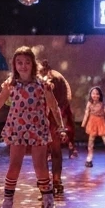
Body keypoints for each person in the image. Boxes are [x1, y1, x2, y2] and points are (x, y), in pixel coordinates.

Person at [0, 46, 65, 208]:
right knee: (14, 167)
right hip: (17, 128)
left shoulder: (42, 84)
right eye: (19, 62)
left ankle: (49, 207)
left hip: (37, 127)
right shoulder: (11, 84)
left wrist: (60, 126)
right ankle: (6, 207)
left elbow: (53, 105)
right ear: (14, 64)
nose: (23, 66)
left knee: (40, 167)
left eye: (27, 62)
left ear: (33, 64)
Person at [37, 58, 74, 193]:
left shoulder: (54, 78)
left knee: (54, 152)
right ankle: (50, 181)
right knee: (46, 153)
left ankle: (55, 181)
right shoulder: (43, 79)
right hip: (45, 118)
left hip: (52, 118)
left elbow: (64, 97)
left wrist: (60, 119)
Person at [37, 57, 77, 158]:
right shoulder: (49, 76)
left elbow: (61, 90)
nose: (37, 73)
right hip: (57, 104)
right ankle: (64, 149)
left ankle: (64, 149)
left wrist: (62, 104)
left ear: (44, 69)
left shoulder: (52, 77)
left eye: (39, 70)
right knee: (55, 127)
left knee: (57, 127)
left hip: (59, 105)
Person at [81, 86, 105, 168]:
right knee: (91, 141)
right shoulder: (89, 103)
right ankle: (89, 157)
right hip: (92, 122)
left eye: (97, 94)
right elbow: (86, 113)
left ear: (100, 95)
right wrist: (83, 124)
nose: (95, 95)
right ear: (90, 95)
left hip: (101, 122)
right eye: (93, 93)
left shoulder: (103, 104)